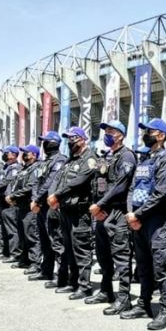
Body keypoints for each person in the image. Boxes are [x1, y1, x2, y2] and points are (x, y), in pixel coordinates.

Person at [124, 118, 166, 330]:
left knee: (161, 266)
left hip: (156, 221)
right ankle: (143, 304)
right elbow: (132, 188)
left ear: (161, 136)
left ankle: (165, 310)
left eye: (150, 131)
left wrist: (137, 214)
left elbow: (161, 193)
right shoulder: (145, 159)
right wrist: (131, 212)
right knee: (144, 265)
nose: (145, 134)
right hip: (138, 221)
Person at [90, 120, 137, 316]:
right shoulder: (109, 156)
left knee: (121, 257)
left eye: (111, 131)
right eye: (106, 131)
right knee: (103, 256)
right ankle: (106, 290)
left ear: (120, 135)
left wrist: (101, 205)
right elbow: (99, 182)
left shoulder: (127, 156)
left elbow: (120, 185)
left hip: (116, 212)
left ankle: (124, 298)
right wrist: (96, 206)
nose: (107, 134)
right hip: (102, 213)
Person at [51, 127, 98, 299]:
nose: (69, 142)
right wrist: (53, 195)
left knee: (81, 249)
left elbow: (79, 181)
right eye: (68, 139)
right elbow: (58, 178)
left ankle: (85, 287)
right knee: (69, 248)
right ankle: (73, 282)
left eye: (73, 138)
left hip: (80, 212)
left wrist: (57, 195)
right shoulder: (70, 160)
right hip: (65, 209)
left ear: (82, 140)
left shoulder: (90, 158)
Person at [29, 131, 67, 283]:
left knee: (56, 241)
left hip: (52, 206)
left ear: (53, 143)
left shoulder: (60, 161)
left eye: (46, 141)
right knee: (44, 240)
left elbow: (50, 182)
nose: (44, 144)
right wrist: (35, 200)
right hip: (40, 207)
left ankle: (62, 275)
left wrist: (37, 199)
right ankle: (46, 271)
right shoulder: (43, 163)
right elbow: (36, 183)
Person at [7, 145, 43, 270]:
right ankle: (25, 259)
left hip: (29, 206)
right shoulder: (24, 169)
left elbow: (30, 186)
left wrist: (13, 196)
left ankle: (35, 262)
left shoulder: (36, 168)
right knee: (22, 234)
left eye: (26, 152)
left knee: (31, 235)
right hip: (20, 205)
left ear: (33, 154)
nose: (24, 155)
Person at [0, 145, 23, 263]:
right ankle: (6, 252)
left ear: (14, 155)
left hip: (9, 202)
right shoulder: (6, 167)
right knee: (5, 229)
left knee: (11, 229)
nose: (4, 155)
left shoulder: (15, 167)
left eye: (6, 152)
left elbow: (6, 182)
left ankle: (15, 254)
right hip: (2, 201)